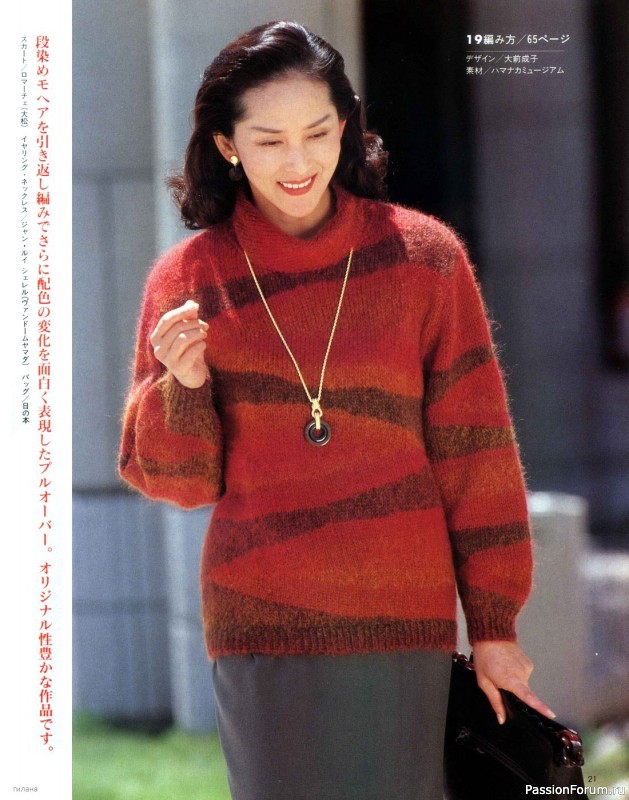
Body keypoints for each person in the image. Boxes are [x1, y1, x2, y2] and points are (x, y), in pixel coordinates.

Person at [119, 19, 556, 800]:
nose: (298, 162)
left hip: (403, 620)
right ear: (226, 145)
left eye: (317, 133)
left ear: (347, 127)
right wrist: (180, 389)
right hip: (262, 625)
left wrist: (494, 626)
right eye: (269, 140)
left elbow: (476, 453)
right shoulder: (189, 280)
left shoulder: (424, 261)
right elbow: (178, 485)